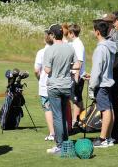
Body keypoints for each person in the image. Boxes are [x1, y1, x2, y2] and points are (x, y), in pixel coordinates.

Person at [43, 24, 79, 154]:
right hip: (66, 85)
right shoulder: (70, 48)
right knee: (63, 115)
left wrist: (56, 68)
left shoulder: (49, 50)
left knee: (57, 117)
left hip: (54, 86)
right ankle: (65, 142)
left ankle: (59, 145)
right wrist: (67, 68)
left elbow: (47, 70)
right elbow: (77, 64)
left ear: (52, 35)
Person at [89, 21, 116, 148]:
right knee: (109, 109)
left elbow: (97, 69)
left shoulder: (100, 48)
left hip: (102, 84)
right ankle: (109, 137)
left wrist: (91, 85)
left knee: (105, 111)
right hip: (108, 81)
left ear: (97, 32)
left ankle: (103, 138)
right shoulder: (110, 46)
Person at [34, 30, 55, 141]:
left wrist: (39, 79)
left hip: (45, 85)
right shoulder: (58, 50)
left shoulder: (41, 52)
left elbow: (36, 70)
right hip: (57, 84)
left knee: (47, 109)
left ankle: (52, 133)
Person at [67, 24, 86, 128]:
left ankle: (75, 121)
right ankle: (82, 119)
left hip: (77, 75)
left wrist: (76, 78)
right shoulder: (74, 43)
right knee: (76, 99)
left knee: (76, 99)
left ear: (72, 33)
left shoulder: (78, 44)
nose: (68, 35)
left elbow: (79, 62)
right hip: (74, 74)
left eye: (69, 33)